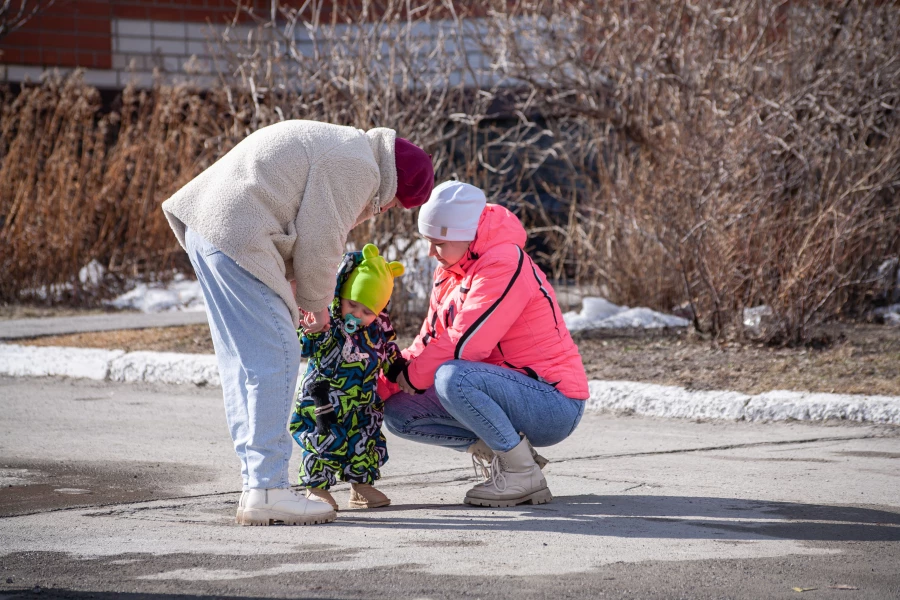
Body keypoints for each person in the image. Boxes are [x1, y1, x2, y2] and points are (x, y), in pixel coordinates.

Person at [161, 120, 434, 526]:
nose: (387, 207)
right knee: (278, 353)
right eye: (396, 203)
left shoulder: (345, 146)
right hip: (238, 231)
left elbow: (297, 221)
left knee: (245, 362)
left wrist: (298, 288)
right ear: (395, 184)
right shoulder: (360, 165)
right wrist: (318, 304)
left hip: (214, 227)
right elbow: (322, 239)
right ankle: (267, 488)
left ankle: (257, 484)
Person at [380, 180, 588, 508]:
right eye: (428, 242)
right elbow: (429, 340)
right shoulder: (451, 269)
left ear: (465, 234)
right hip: (506, 393)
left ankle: (521, 473)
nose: (432, 253)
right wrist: (382, 384)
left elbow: (466, 345)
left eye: (439, 243)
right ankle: (515, 457)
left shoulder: (505, 262)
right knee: (400, 413)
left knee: (453, 377)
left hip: (553, 402)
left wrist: (415, 377)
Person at [289, 243, 406, 511]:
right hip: (324, 399)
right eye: (352, 304)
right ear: (340, 295)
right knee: (325, 439)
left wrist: (398, 369)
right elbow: (305, 347)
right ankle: (316, 487)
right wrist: (314, 331)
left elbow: (388, 353)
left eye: (367, 311)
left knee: (364, 440)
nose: (358, 315)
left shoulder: (376, 331)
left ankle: (360, 487)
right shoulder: (326, 320)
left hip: (363, 401)